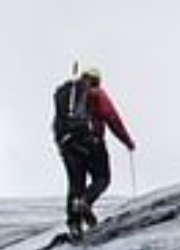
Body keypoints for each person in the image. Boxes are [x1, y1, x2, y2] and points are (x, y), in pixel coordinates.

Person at [52, 64, 135, 233]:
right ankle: (85, 203)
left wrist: (62, 146)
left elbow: (57, 124)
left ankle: (74, 225)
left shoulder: (66, 96)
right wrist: (127, 141)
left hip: (67, 144)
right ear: (96, 80)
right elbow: (112, 118)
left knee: (75, 183)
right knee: (102, 178)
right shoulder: (97, 93)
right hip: (92, 142)